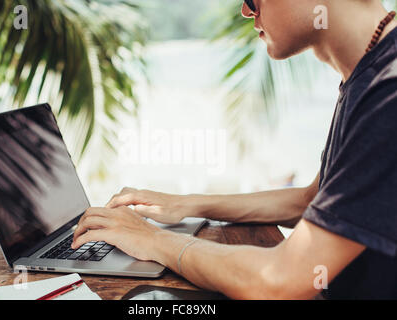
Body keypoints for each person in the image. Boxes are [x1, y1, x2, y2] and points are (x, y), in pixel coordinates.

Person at [72, 0, 397, 299]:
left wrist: (152, 239)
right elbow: (312, 199)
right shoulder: (369, 74)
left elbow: (280, 280)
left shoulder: (388, 92)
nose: (246, 10)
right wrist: (186, 204)